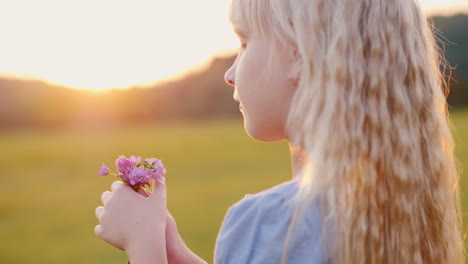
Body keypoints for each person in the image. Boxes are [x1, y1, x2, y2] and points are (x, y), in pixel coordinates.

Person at [94, 0, 466, 263]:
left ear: (300, 55)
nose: (230, 73)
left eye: (244, 42)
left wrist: (142, 245)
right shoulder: (392, 208)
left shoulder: (269, 224)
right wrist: (173, 252)